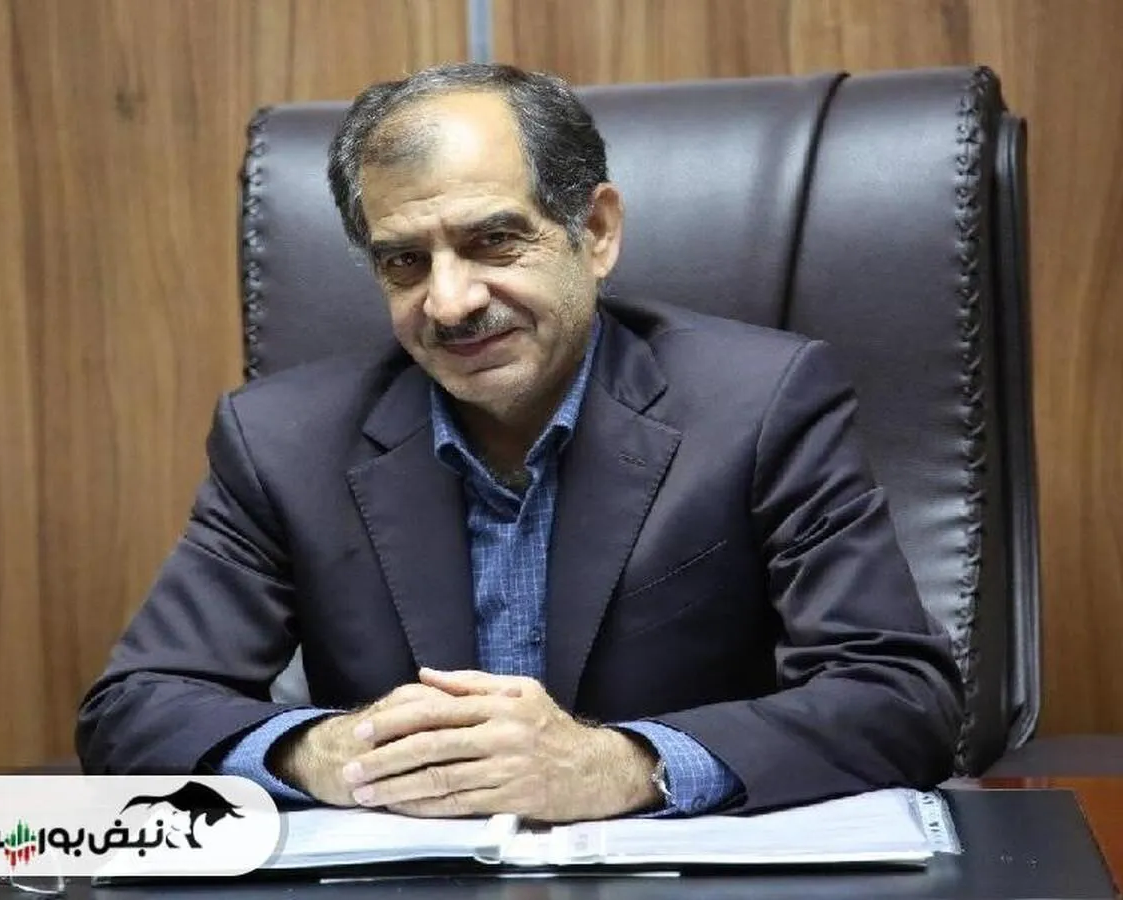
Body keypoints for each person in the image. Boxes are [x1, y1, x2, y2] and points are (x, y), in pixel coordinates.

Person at [76, 62, 962, 822]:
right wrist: (327, 753)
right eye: (404, 261)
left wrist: (619, 767)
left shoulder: (763, 404)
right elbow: (134, 708)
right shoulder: (282, 441)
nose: (450, 301)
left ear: (596, 233)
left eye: (494, 240)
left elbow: (900, 700)